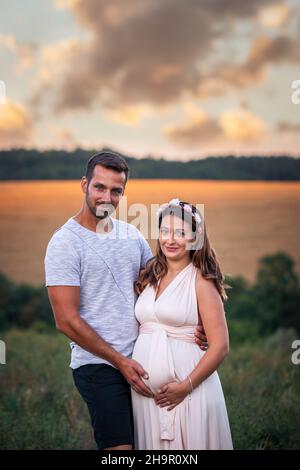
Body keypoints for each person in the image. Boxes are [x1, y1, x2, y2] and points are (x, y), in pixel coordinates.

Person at [45, 152, 207, 450]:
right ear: (84, 185)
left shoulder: (131, 235)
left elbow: (162, 285)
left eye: (116, 190)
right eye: (99, 187)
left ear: (123, 192)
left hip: (142, 363)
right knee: (121, 452)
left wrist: (198, 324)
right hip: (100, 367)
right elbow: (65, 320)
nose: (107, 196)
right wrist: (120, 361)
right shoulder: (63, 243)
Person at [132, 199, 233, 450]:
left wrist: (184, 387)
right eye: (165, 231)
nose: (171, 239)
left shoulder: (202, 283)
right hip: (146, 400)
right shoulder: (148, 276)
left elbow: (220, 346)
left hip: (189, 394)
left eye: (180, 233)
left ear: (195, 237)